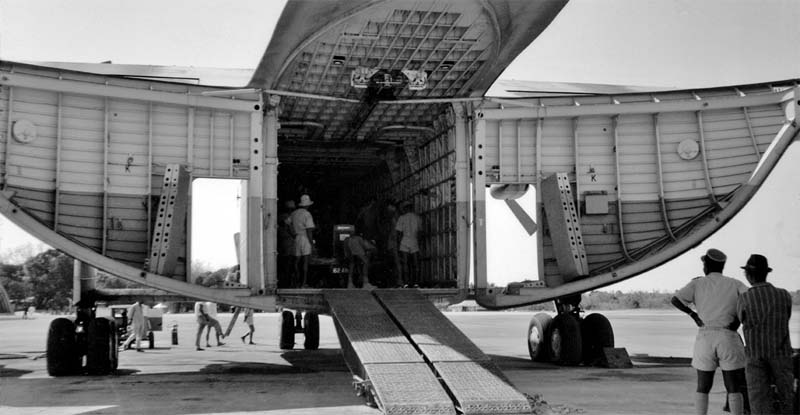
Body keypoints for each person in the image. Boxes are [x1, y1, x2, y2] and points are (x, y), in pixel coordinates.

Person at [671, 248, 749, 415]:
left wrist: (693, 315)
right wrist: (738, 319)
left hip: (706, 336)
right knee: (734, 387)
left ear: (706, 265)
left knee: (703, 386)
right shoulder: (735, 283)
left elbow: (675, 299)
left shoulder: (697, 283)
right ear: (722, 266)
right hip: (728, 336)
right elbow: (750, 300)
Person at [736, 254, 793, 414]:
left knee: (759, 400)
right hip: (781, 353)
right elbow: (787, 316)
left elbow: (741, 319)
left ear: (748, 275)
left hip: (755, 354)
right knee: (787, 396)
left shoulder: (744, 298)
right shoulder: (784, 295)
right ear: (766, 273)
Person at [290, 194, 315, 288]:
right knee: (305, 261)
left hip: (296, 237)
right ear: (308, 205)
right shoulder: (307, 214)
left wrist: (292, 233)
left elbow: (287, 224)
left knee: (296, 260)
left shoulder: (294, 213)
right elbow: (309, 231)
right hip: (305, 238)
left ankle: (296, 281)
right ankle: (303, 283)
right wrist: (312, 244)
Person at [395, 202, 421, 286]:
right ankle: (416, 282)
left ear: (405, 209)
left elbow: (399, 233)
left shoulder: (401, 218)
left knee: (405, 263)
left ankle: (406, 282)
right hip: (414, 241)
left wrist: (399, 243)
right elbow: (420, 232)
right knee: (416, 263)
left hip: (404, 241)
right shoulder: (417, 218)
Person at [277, 200, 296, 288]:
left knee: (282, 264)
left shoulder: (279, 216)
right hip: (288, 243)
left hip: (281, 242)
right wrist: (294, 235)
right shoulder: (287, 218)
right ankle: (287, 284)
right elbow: (291, 231)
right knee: (288, 264)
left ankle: (282, 282)